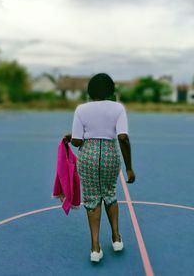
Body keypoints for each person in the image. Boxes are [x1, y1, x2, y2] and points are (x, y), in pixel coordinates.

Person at [64, 73, 135, 263]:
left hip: (88, 155)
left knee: (92, 198)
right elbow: (122, 137)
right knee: (110, 194)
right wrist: (129, 168)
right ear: (111, 90)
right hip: (110, 155)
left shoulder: (81, 109)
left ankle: (95, 248)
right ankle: (116, 238)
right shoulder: (118, 108)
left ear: (90, 91)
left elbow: (78, 141)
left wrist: (72, 137)